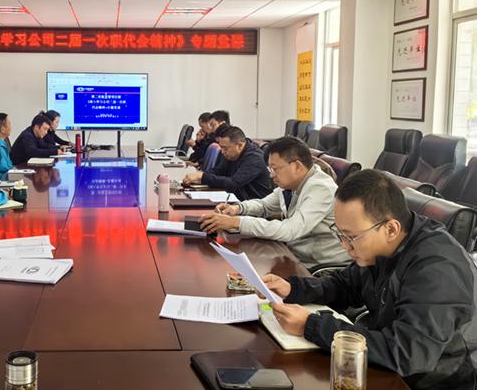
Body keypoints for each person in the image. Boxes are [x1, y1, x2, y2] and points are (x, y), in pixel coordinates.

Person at [263, 170, 477, 390]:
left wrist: (311, 325)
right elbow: (346, 284)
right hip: (386, 366)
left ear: (390, 229)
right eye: (341, 234)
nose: (344, 246)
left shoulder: (437, 268)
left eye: (351, 237)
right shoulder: (384, 245)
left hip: (431, 381)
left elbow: (407, 353)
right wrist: (294, 288)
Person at [199, 137, 349, 268]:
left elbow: (290, 230)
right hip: (293, 255)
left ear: (297, 166)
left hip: (317, 267)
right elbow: (264, 205)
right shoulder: (291, 184)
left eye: (275, 169)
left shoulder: (320, 188)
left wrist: (236, 222)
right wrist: (237, 208)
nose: (271, 175)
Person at [183, 126, 270, 201]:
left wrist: (203, 177)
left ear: (239, 145)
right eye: (221, 147)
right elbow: (219, 171)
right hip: (234, 199)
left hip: (253, 205)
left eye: (225, 148)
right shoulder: (231, 154)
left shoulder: (254, 158)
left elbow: (234, 183)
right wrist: (199, 175)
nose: (222, 151)